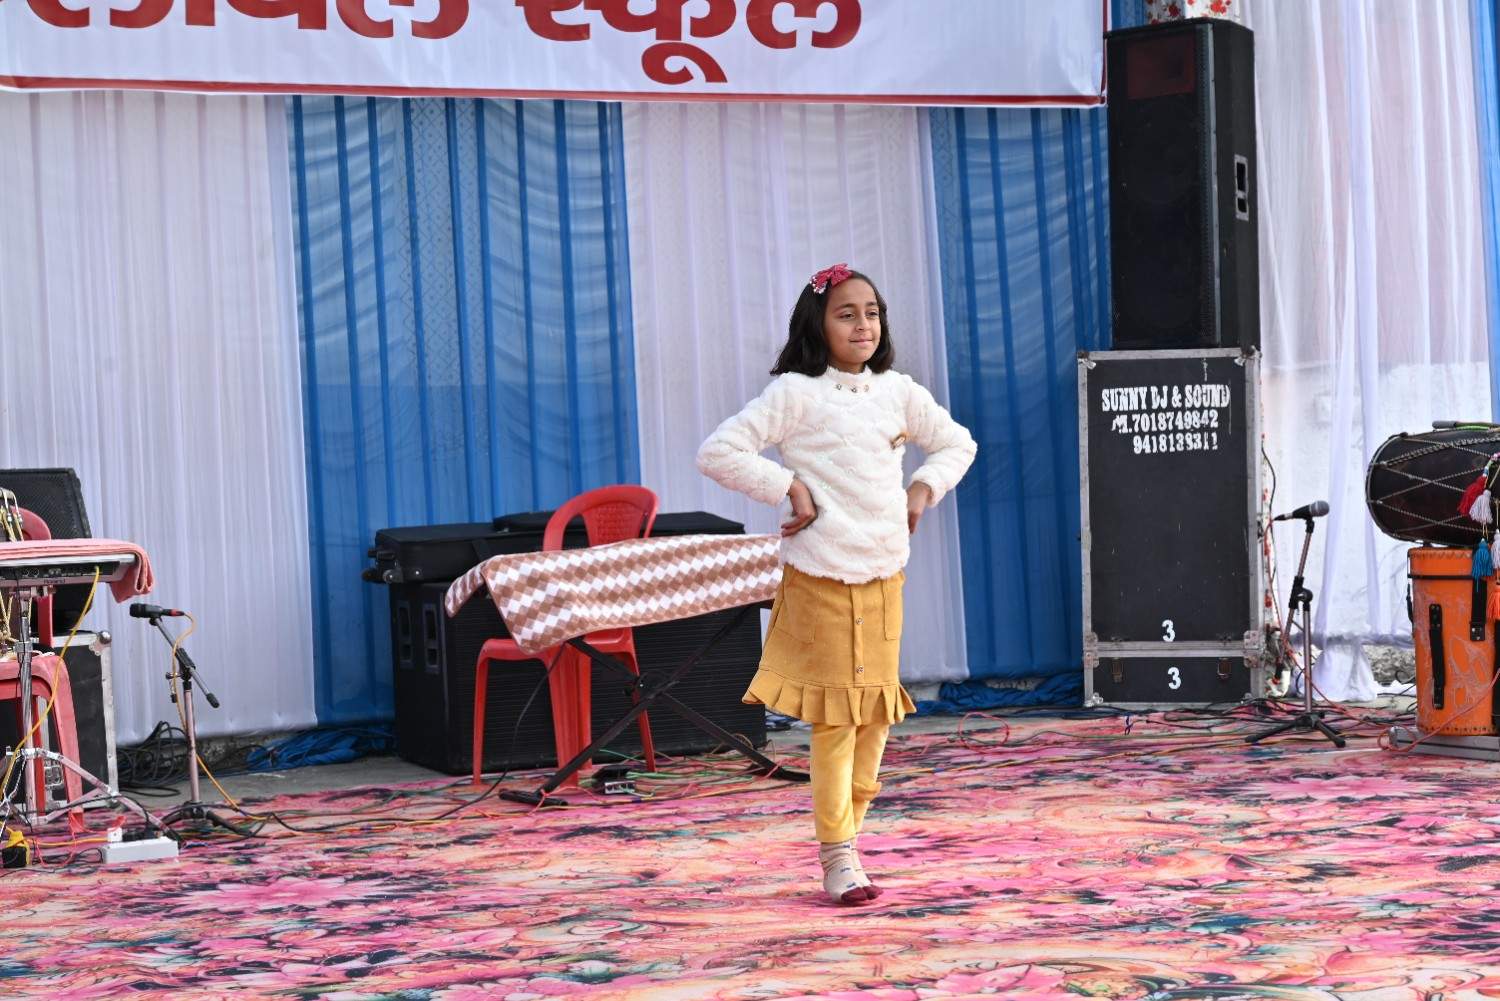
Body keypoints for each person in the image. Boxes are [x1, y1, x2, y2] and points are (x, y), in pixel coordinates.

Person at [696, 263, 977, 905]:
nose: (862, 325)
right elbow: (718, 452)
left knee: (874, 718)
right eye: (846, 314)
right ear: (817, 324)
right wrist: (788, 485)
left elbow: (957, 445)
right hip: (820, 578)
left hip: (884, 577)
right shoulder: (796, 393)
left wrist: (923, 487)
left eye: (871, 312)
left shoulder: (898, 391)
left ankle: (851, 838)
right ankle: (838, 854)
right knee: (836, 722)